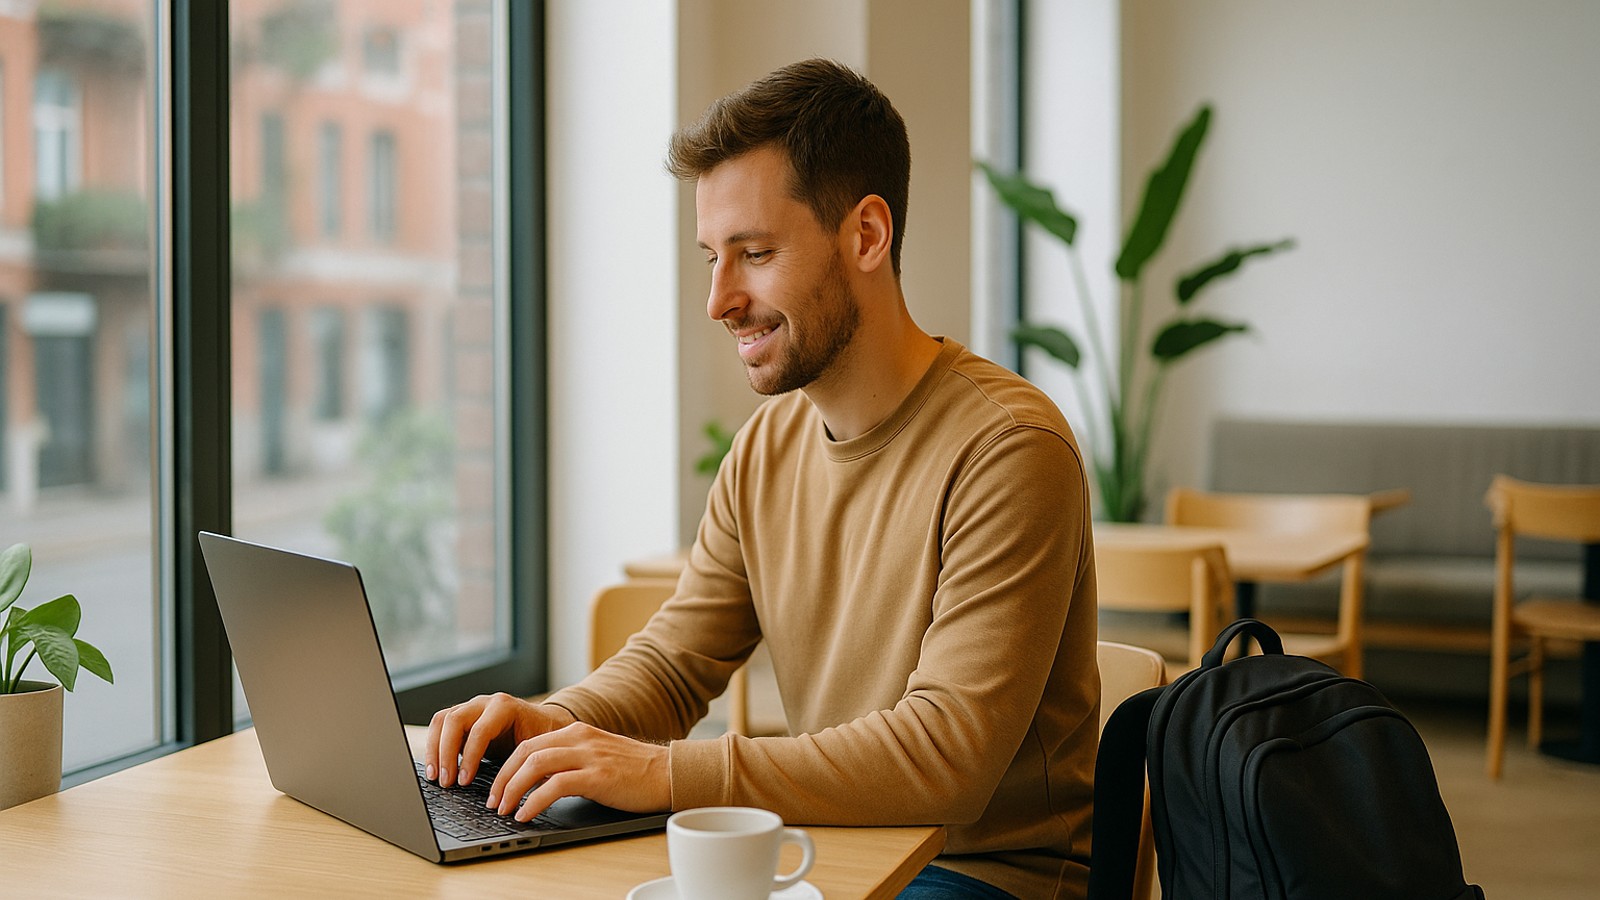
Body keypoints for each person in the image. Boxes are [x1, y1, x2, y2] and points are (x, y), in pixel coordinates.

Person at [424, 58, 1098, 899]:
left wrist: (666, 774)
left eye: (755, 254)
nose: (718, 299)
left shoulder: (1008, 447)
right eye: (712, 256)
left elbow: (948, 759)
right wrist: (559, 723)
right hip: (834, 856)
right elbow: (676, 665)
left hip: (978, 875)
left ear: (866, 236)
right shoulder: (766, 449)